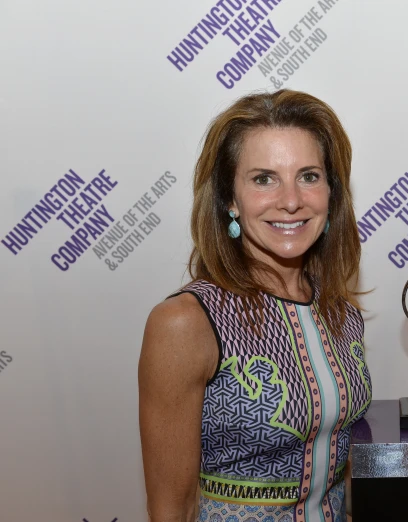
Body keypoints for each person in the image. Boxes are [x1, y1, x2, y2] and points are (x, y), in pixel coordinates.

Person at [139, 90, 371, 522]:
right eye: (263, 178)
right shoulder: (185, 323)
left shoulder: (341, 312)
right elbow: (172, 509)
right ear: (229, 198)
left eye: (309, 176)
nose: (290, 200)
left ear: (331, 193)